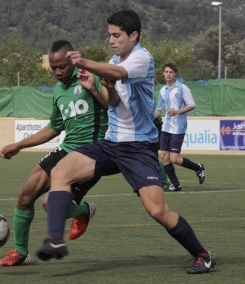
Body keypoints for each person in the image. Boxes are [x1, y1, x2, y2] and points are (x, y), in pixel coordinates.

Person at [36, 10, 215, 274]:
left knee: (157, 211)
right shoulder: (114, 59)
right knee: (60, 172)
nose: (111, 40)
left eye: (117, 35)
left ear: (134, 35)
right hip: (111, 144)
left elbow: (119, 72)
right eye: (109, 35)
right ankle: (54, 240)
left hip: (139, 147)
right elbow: (114, 102)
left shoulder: (142, 58)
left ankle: (203, 254)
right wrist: (97, 88)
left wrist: (83, 62)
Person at [0, 40, 118, 268]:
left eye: (62, 66)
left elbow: (114, 103)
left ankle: (83, 210)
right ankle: (21, 253)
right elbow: (54, 127)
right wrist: (19, 145)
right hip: (65, 149)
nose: (58, 72)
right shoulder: (59, 90)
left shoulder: (90, 77)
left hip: (90, 155)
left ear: (72, 60)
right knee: (25, 195)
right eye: (53, 68)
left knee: (49, 203)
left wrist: (94, 86)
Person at [155, 61, 205, 192]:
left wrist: (177, 111)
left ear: (175, 74)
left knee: (175, 158)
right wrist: (149, 118)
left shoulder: (182, 88)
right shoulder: (162, 90)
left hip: (178, 128)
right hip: (166, 128)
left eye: (171, 72)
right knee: (164, 156)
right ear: (163, 73)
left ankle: (198, 167)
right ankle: (176, 184)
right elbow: (159, 109)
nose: (168, 74)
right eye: (166, 72)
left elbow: (192, 105)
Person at [154, 115, 170, 189]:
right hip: (150, 127)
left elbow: (156, 115)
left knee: (160, 156)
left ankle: (164, 181)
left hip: (154, 126)